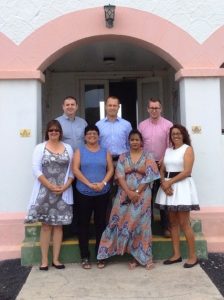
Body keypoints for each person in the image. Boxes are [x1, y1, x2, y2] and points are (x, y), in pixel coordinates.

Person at [97, 129, 160, 270]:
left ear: (141, 142)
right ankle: (104, 254)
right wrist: (129, 192)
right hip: (124, 194)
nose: (135, 142)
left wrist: (137, 192)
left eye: (137, 139)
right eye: (132, 140)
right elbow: (119, 175)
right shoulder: (123, 157)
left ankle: (141, 257)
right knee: (116, 220)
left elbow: (150, 176)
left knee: (141, 225)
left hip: (142, 196)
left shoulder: (148, 156)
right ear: (128, 142)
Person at [25, 120, 74, 270]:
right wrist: (50, 186)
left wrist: (65, 187)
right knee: (46, 226)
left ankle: (56, 259)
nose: (54, 132)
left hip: (63, 192)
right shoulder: (40, 148)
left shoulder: (68, 148)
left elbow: (72, 170)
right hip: (45, 192)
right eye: (51, 130)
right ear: (47, 132)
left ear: (60, 133)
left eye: (56, 130)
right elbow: (36, 169)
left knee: (58, 227)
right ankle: (44, 260)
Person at [155, 124, 200, 268]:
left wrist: (170, 183)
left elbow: (187, 171)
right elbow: (161, 169)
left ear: (184, 135)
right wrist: (163, 183)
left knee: (184, 223)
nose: (176, 136)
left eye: (179, 133)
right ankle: (176, 255)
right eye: (173, 134)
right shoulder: (168, 150)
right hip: (168, 187)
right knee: (172, 223)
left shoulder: (188, 149)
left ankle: (193, 256)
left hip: (181, 187)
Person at [72, 125, 114, 269]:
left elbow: (111, 169)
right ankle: (85, 257)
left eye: (94, 133)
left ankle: (100, 255)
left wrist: (103, 183)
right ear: (85, 136)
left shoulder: (105, 151)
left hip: (102, 192)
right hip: (83, 192)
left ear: (98, 136)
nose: (92, 136)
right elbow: (75, 170)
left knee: (100, 224)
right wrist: (89, 184)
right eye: (89, 134)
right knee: (83, 225)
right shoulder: (79, 151)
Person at [138, 98, 173, 237]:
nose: (154, 110)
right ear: (147, 109)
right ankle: (149, 228)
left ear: (161, 109)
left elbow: (170, 145)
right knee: (147, 198)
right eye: (151, 108)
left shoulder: (168, 125)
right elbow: (139, 145)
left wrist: (163, 161)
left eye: (156, 108)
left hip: (162, 165)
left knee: (163, 196)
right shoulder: (142, 125)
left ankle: (166, 227)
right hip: (146, 165)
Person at [96, 96, 132, 220]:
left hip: (122, 162)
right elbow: (96, 145)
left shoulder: (126, 125)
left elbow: (130, 144)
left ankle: (123, 221)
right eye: (109, 105)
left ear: (118, 107)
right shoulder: (99, 125)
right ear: (106, 107)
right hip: (105, 163)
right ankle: (108, 222)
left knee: (122, 192)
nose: (112, 108)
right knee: (105, 192)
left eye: (114, 105)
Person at [56, 96, 87, 236]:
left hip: (81, 166)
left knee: (79, 197)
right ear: (63, 106)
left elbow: (87, 142)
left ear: (77, 106)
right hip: (64, 166)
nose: (70, 107)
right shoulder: (57, 123)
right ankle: (65, 230)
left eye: (72, 104)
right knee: (65, 197)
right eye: (67, 104)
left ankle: (78, 228)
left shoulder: (83, 122)